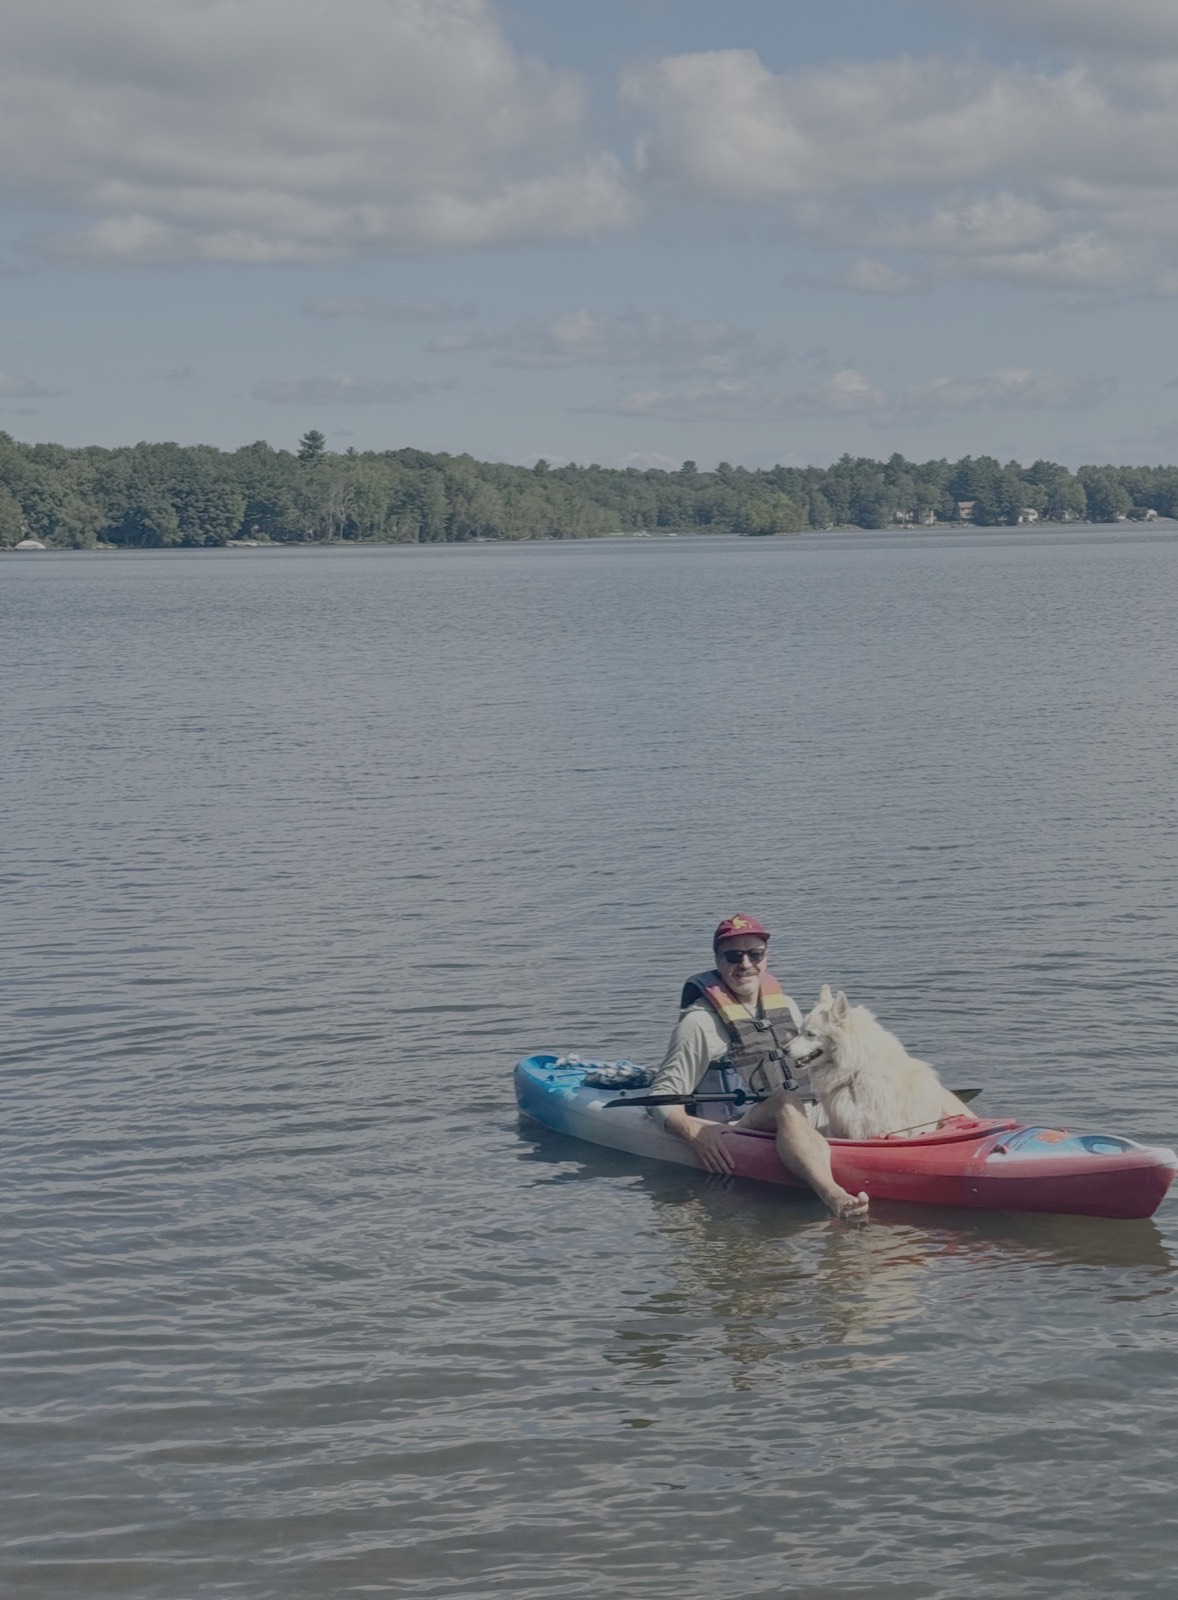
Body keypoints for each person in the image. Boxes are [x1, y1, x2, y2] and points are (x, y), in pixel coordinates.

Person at [650, 914, 870, 1220]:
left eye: (755, 954)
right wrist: (694, 1132)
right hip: (741, 1128)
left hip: (805, 1111)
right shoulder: (698, 1023)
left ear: (765, 957)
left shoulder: (786, 1005)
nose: (745, 964)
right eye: (733, 955)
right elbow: (661, 1097)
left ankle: (951, 1136)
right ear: (717, 959)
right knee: (785, 1102)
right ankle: (833, 1194)